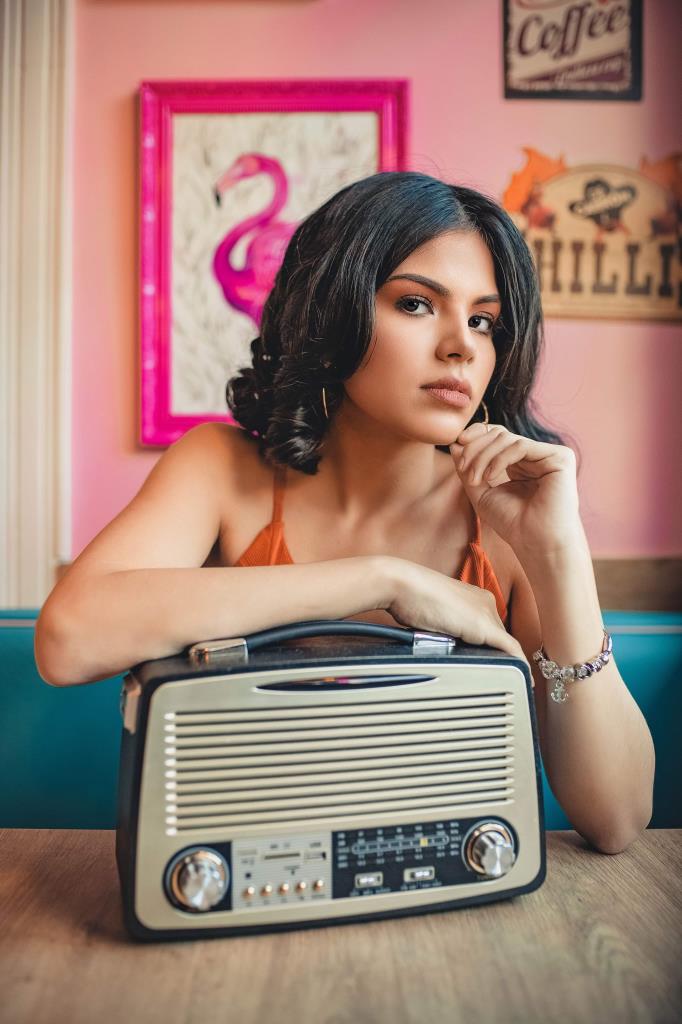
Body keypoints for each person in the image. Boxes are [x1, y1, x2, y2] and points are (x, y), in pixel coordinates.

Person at [35, 171, 654, 853]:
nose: (462, 345)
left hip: (452, 901)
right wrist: (385, 580)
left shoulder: (507, 521)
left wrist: (560, 556)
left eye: (484, 321)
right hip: (252, 888)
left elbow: (618, 819)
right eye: (417, 304)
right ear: (334, 309)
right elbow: (67, 642)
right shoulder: (222, 468)